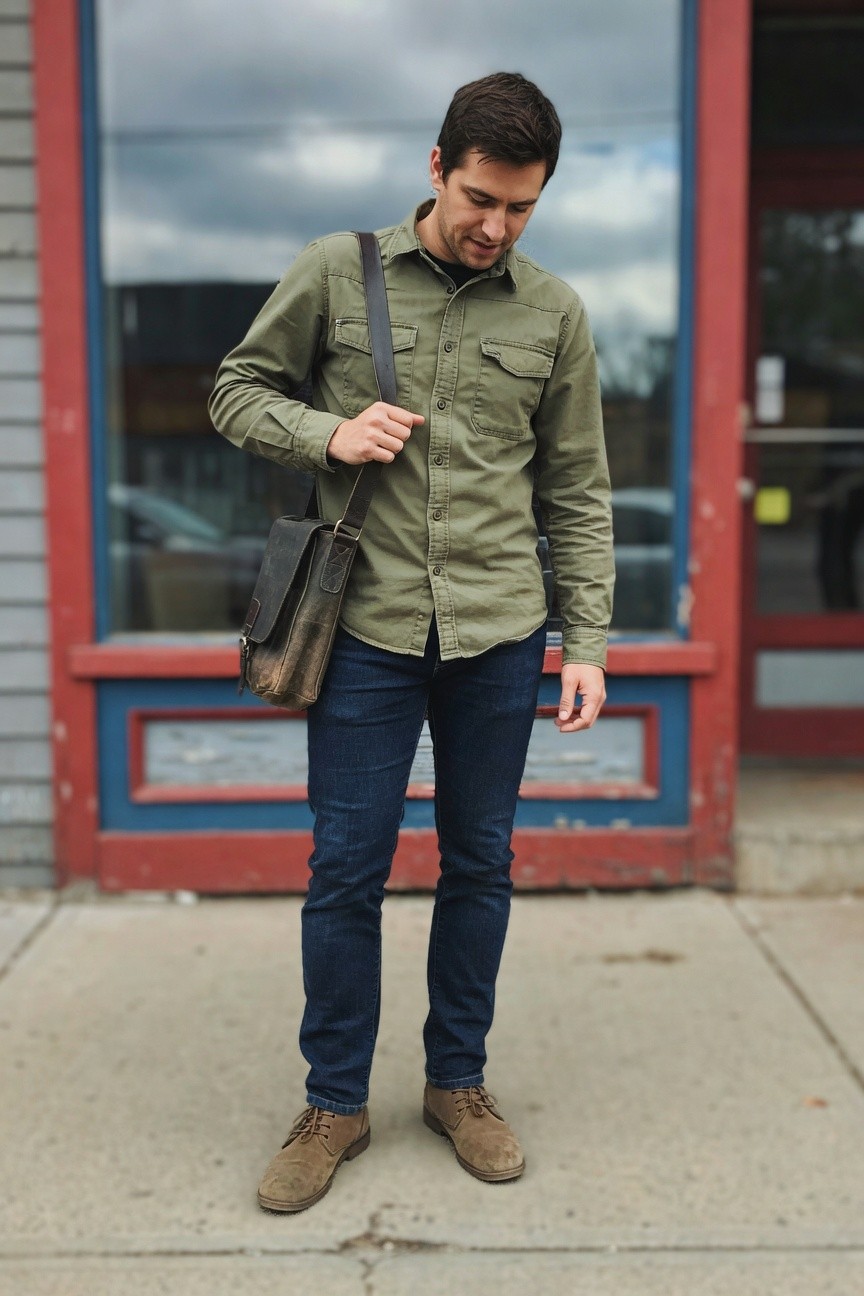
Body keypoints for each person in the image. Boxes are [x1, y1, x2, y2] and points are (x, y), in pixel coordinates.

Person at [209, 71, 614, 1213]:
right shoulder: (337, 273)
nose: (497, 227)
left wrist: (585, 638)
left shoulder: (555, 313)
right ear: (437, 169)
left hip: (500, 631)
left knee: (480, 865)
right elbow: (236, 391)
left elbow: (579, 487)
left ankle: (458, 1083)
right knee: (346, 872)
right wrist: (326, 432)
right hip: (368, 631)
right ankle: (334, 1102)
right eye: (483, 197)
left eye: (523, 207)